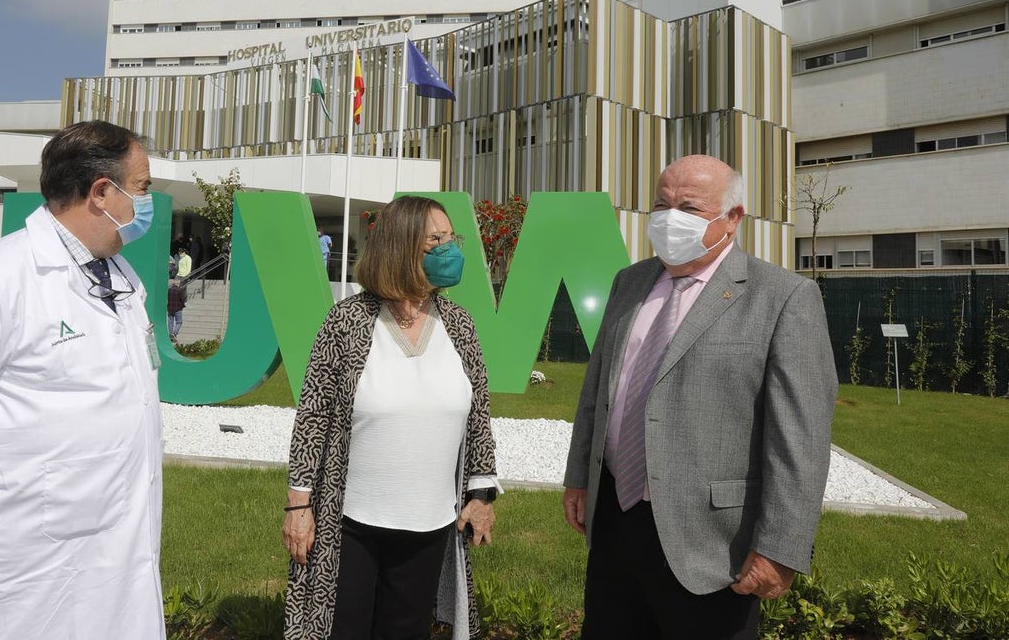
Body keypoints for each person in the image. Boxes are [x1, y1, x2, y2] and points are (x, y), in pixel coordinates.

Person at [0, 120, 165, 639]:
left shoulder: (122, 278)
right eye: (142, 188)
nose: (146, 201)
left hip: (117, 560)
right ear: (101, 193)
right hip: (24, 568)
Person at [563, 155, 839, 640]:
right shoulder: (629, 282)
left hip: (712, 544)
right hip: (615, 520)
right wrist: (579, 478)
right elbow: (597, 391)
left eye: (688, 207)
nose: (670, 219)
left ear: (732, 218)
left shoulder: (784, 297)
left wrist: (781, 548)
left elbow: (800, 439)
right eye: (661, 204)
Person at [284, 196, 499, 640]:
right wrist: (298, 505)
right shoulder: (347, 321)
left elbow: (478, 416)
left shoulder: (460, 325)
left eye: (451, 238)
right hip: (351, 525)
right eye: (436, 240)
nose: (450, 249)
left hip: (430, 524)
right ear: (401, 247)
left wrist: (482, 496)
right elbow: (312, 419)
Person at [167, 278, 187, 343]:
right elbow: (182, 299)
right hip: (178, 308)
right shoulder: (180, 290)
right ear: (178, 284)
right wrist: (183, 305)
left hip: (170, 308)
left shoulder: (169, 290)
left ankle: (170, 334)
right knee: (179, 322)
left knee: (170, 322)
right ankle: (174, 333)